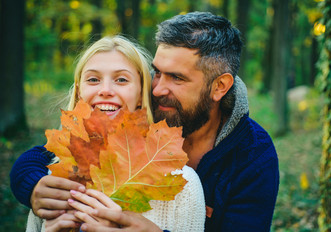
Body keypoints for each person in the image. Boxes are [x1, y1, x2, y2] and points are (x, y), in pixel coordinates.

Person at [10, 11, 279, 232]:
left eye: (177, 77)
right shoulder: (147, 111)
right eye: (157, 72)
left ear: (219, 86)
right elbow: (56, 153)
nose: (158, 88)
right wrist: (29, 181)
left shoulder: (253, 155)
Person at [12, 35, 205, 232]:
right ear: (79, 92)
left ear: (140, 94)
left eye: (121, 79)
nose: (105, 90)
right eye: (93, 79)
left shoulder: (183, 185)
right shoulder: (51, 180)